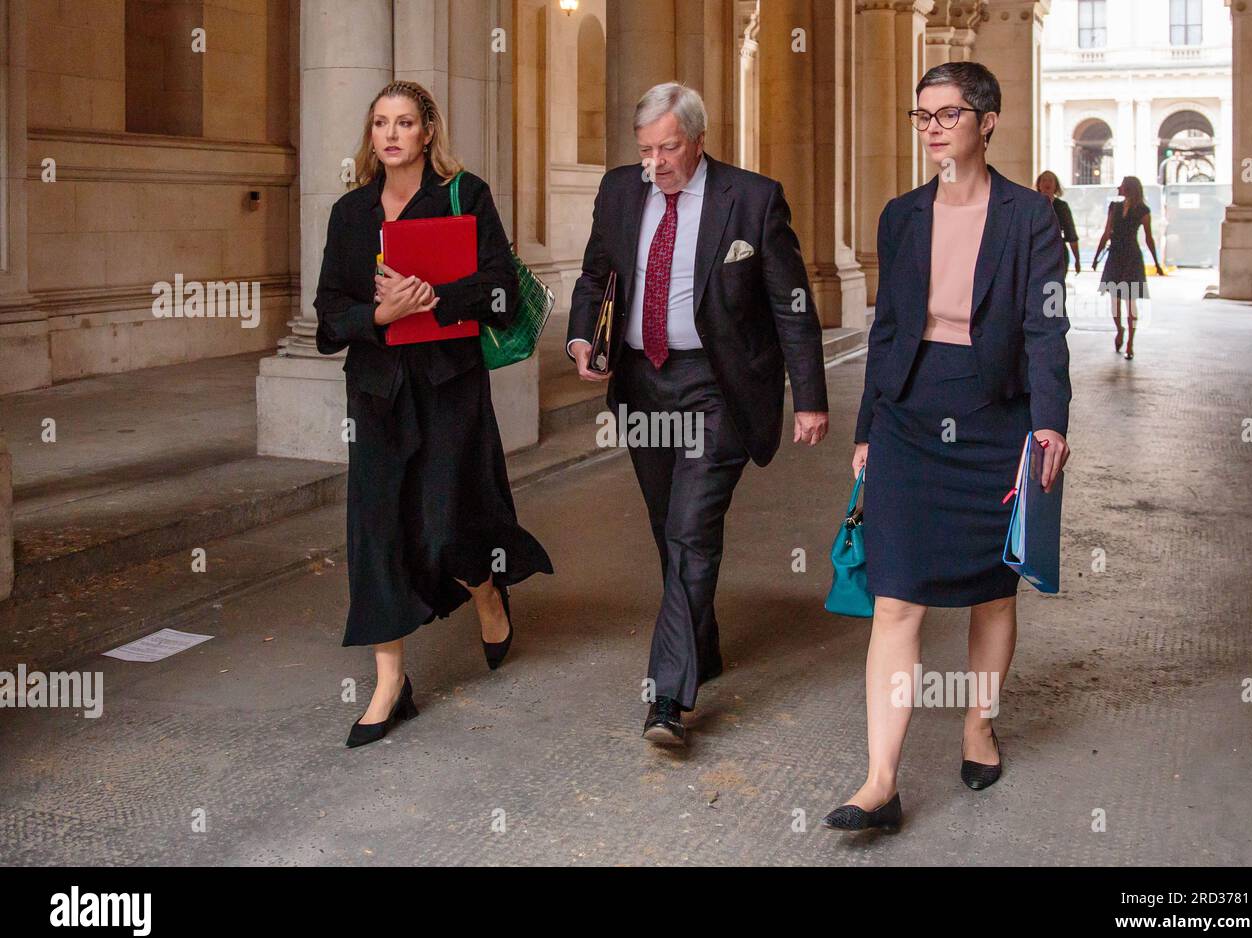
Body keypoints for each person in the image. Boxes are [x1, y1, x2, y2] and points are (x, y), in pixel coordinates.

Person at [823, 62, 1071, 833]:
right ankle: (880, 780)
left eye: (949, 113)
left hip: (997, 412)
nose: (932, 126)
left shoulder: (1031, 218)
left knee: (993, 591)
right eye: (922, 114)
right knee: (895, 595)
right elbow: (888, 331)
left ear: (988, 121)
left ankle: (977, 723)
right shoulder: (900, 216)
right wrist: (866, 429)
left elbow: (1045, 328)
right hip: (910, 410)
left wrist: (1051, 422)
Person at [566, 82, 829, 748]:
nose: (656, 163)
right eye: (646, 149)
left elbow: (791, 303)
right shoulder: (621, 190)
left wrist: (811, 396)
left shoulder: (754, 199)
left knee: (689, 528)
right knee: (667, 527)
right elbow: (596, 273)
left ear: (699, 138)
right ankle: (700, 647)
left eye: (669, 148)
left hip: (718, 387)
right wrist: (580, 338)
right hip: (644, 384)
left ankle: (667, 697)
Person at [314, 80, 552, 749]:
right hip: (376, 391)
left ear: (427, 132)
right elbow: (329, 315)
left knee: (448, 523)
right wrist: (378, 315)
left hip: (448, 384)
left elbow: (500, 291)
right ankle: (391, 683)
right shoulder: (350, 213)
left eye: (406, 122)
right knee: (376, 531)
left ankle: (484, 591)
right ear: (372, 136)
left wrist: (435, 298)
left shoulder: (464, 195)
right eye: (381, 122)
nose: (392, 134)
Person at [1092, 175, 1164, 360]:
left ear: (1129, 188)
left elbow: (1148, 238)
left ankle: (1130, 342)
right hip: (1116, 254)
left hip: (1130, 256)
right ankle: (1120, 330)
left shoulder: (1142, 210)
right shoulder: (1114, 207)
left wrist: (1156, 263)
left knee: (1130, 301)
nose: (1119, 187)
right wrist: (1096, 256)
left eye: (1122, 185)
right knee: (1115, 300)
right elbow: (1107, 232)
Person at [1035, 170, 1080, 282]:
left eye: (1050, 180)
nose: (1047, 183)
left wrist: (1077, 259)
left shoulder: (1062, 206)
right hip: (1036, 252)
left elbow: (1071, 233)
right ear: (1039, 185)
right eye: (1044, 180)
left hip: (1057, 252)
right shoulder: (1031, 205)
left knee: (1055, 289)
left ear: (1056, 185)